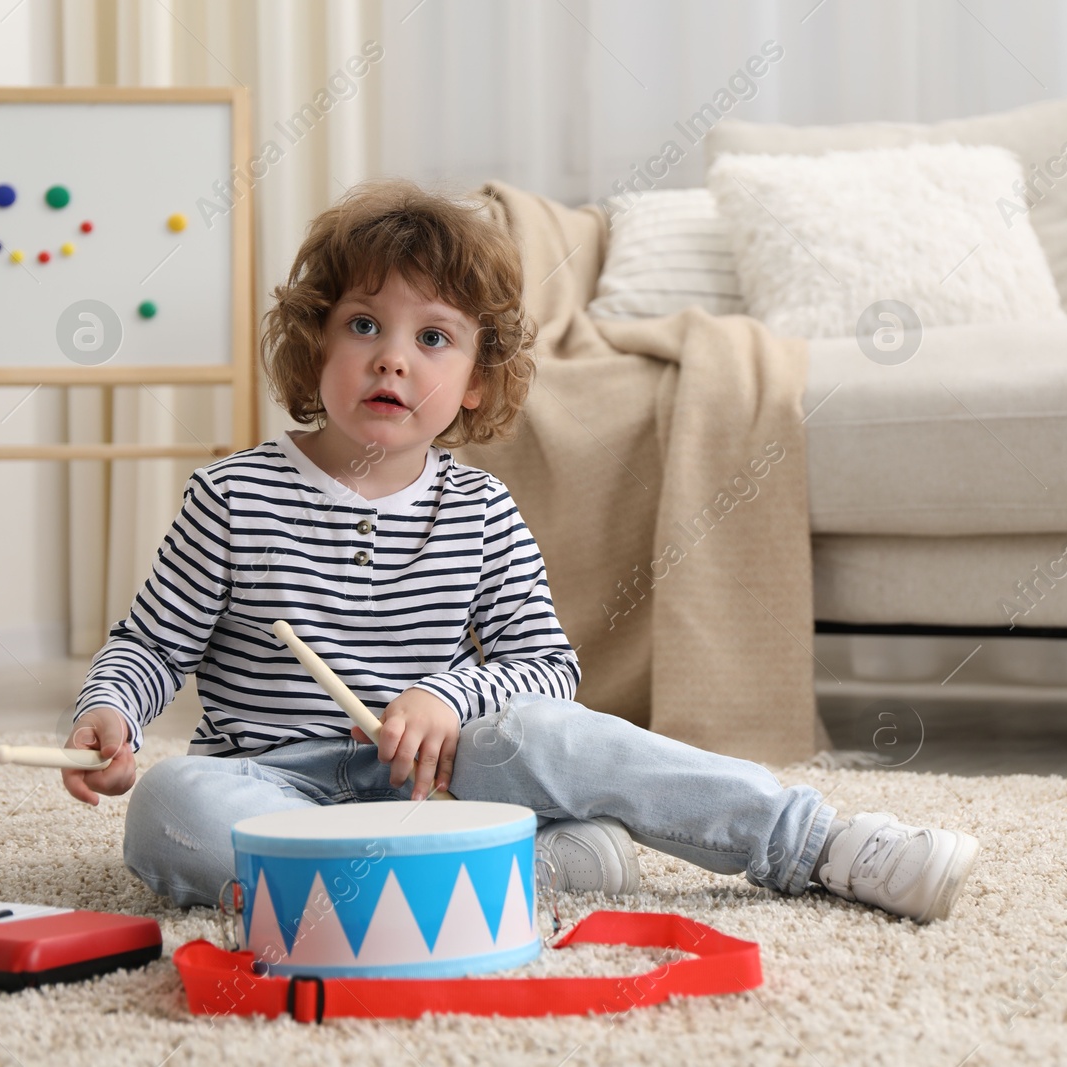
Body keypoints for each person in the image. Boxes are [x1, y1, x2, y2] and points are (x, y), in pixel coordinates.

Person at [62, 179, 981, 925]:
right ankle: (504, 873)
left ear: (474, 382)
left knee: (549, 734)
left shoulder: (482, 508)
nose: (393, 361)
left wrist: (444, 696)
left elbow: (545, 668)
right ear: (315, 344)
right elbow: (152, 644)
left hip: (438, 777)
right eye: (364, 325)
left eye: (433, 339)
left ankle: (815, 843)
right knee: (169, 807)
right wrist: (111, 711)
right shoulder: (232, 494)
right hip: (266, 783)